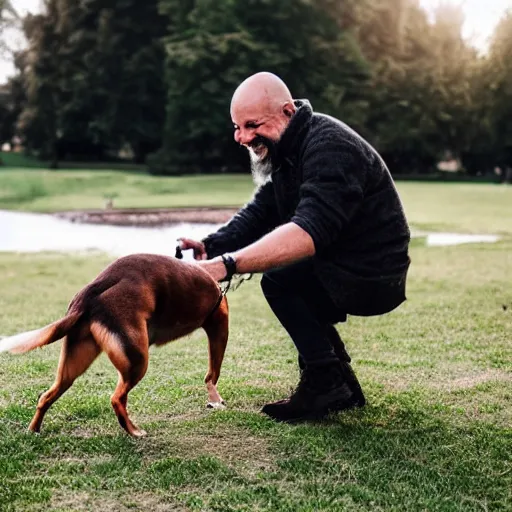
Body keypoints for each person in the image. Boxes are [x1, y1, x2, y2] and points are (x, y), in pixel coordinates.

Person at [179, 71, 411, 422]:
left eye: (252, 124)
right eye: (237, 127)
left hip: (372, 274)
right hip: (344, 262)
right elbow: (264, 209)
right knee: (286, 279)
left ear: (287, 111)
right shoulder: (291, 149)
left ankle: (325, 379)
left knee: (281, 280)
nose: (242, 137)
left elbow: (307, 233)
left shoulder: (329, 146)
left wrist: (226, 264)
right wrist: (211, 245)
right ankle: (339, 383)